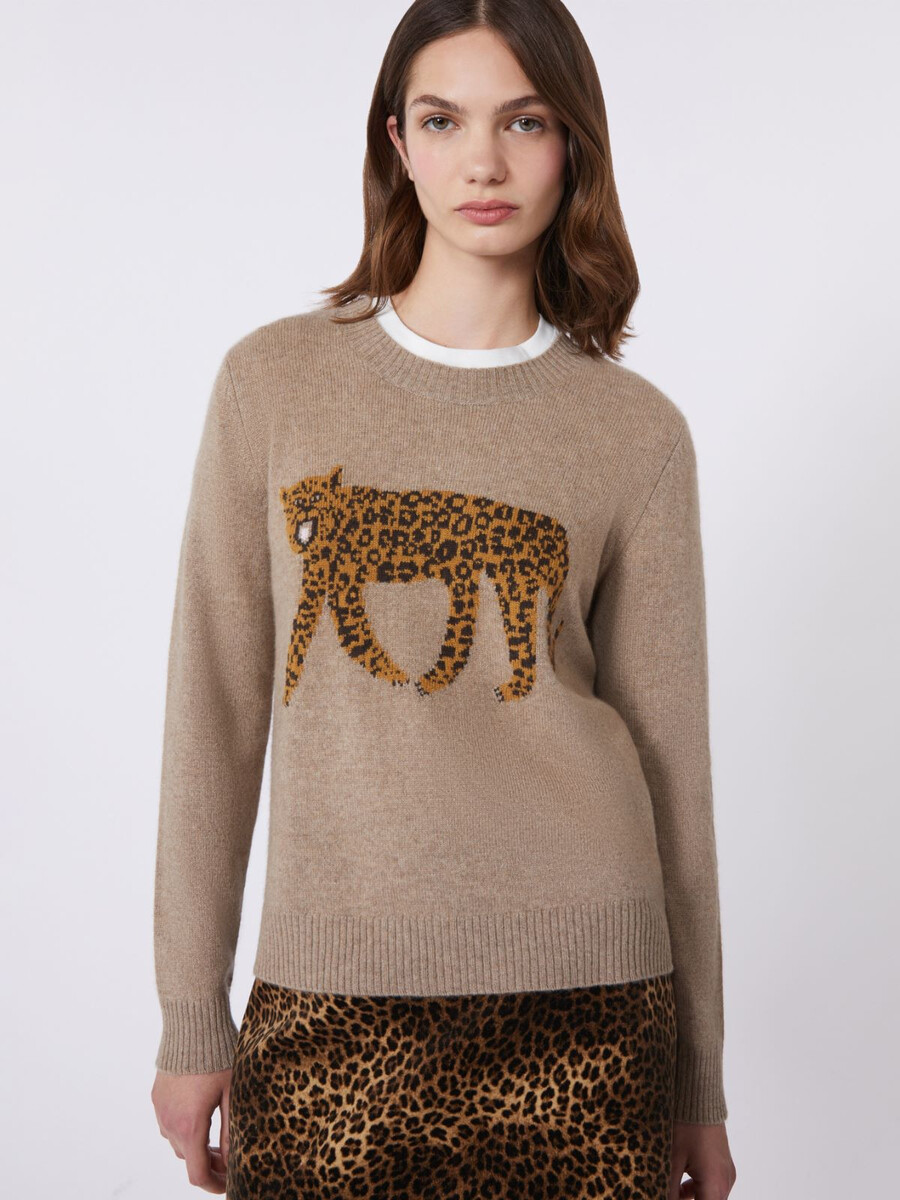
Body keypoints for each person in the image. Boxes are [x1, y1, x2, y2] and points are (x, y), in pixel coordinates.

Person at [150, 2, 738, 1197]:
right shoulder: (274, 385)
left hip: (593, 1011)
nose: (483, 163)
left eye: (524, 121)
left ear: (572, 144)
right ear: (397, 144)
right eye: (442, 120)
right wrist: (189, 1018)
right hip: (329, 1006)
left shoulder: (636, 432)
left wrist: (698, 1082)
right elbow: (213, 713)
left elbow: (674, 765)